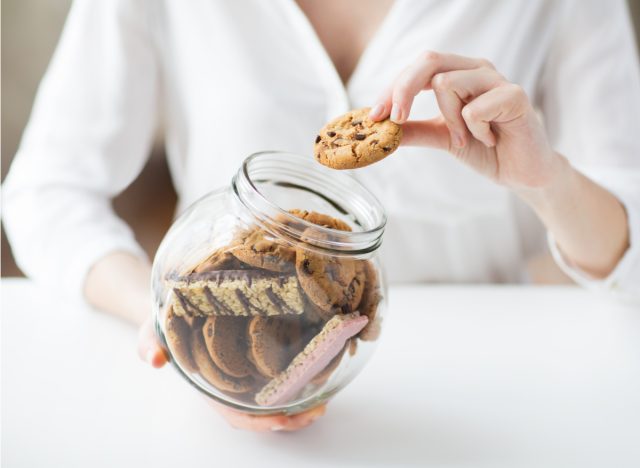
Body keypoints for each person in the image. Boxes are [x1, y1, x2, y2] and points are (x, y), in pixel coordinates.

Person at [4, 0, 640, 432]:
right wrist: (168, 319)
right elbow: (46, 192)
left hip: (492, 401)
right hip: (226, 411)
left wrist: (546, 178)